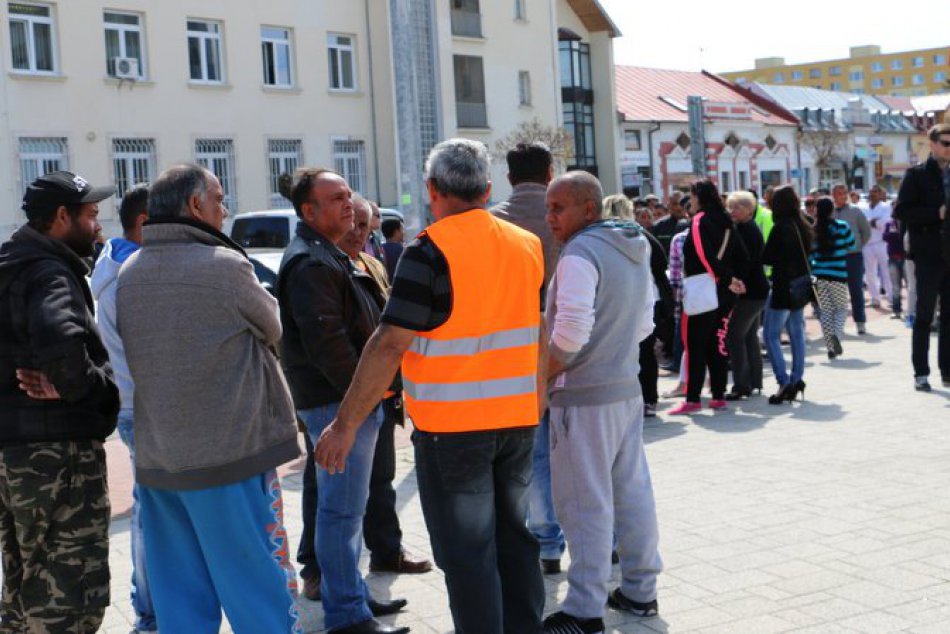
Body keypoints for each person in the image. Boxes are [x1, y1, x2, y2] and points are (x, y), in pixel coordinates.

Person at [314, 138, 546, 634]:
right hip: (517, 421)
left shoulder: (428, 250)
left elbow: (389, 343)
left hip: (454, 430)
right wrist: (538, 399)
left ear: (432, 189)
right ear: (487, 189)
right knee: (515, 540)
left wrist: (344, 424)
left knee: (469, 553)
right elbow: (538, 329)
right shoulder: (526, 244)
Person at [117, 164, 300, 632]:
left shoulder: (130, 272)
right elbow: (273, 327)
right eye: (218, 199)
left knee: (181, 598)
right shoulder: (225, 266)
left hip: (160, 461)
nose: (225, 210)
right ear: (195, 205)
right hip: (231, 456)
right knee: (257, 590)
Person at [276, 168, 410, 634]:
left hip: (348, 401)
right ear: (309, 211)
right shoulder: (312, 263)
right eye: (336, 198)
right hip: (339, 404)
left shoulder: (328, 254)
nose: (348, 204)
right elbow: (329, 345)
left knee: (348, 511)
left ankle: (350, 596)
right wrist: (363, 399)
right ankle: (348, 616)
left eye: (348, 195)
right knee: (341, 513)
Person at [541, 171, 663, 633]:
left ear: (588, 209)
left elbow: (570, 332)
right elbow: (646, 321)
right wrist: (615, 352)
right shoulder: (635, 245)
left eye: (558, 208)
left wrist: (541, 377)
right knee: (632, 494)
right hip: (624, 388)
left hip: (584, 396)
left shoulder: (580, 253)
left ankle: (584, 609)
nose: (550, 217)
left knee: (583, 503)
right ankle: (640, 590)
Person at [0, 171, 119, 632]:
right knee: (69, 596)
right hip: (58, 456)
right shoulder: (49, 271)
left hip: (12, 456)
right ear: (61, 217)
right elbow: (61, 340)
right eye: (91, 215)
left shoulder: (11, 263)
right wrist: (87, 390)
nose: (98, 225)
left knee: (24, 587)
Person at [491, 141, 565, 574]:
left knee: (534, 455)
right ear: (550, 172)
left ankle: (547, 542)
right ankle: (604, 539)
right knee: (583, 451)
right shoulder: (570, 216)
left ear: (509, 177)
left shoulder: (495, 222)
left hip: (515, 351)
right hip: (572, 345)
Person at [89, 183, 156, 632]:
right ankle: (149, 614)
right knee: (151, 516)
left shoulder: (118, 265)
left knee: (150, 511)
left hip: (137, 407)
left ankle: (150, 610)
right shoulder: (133, 276)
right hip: (145, 409)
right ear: (145, 223)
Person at [669, 179, 747, 415]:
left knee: (695, 345)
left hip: (703, 290)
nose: (690, 201)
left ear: (698, 197)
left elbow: (704, 255)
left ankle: (693, 399)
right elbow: (743, 255)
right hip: (724, 293)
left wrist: (726, 278)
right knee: (717, 344)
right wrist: (734, 279)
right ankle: (718, 396)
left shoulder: (699, 220)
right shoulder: (727, 221)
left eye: (691, 196)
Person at [603, 193, 673, 417]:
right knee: (646, 352)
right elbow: (660, 264)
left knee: (620, 353)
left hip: (617, 302)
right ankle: (649, 399)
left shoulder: (602, 237)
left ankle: (626, 400)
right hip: (647, 299)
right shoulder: (642, 235)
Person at [894, 122, 950, 391]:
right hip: (928, 254)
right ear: (933, 144)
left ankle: (947, 371)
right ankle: (921, 373)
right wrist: (934, 213)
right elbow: (902, 211)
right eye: (946, 143)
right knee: (924, 315)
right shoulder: (916, 175)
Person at [762, 185, 814, 404]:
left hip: (784, 285)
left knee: (770, 334)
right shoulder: (804, 224)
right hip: (801, 283)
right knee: (796, 333)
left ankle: (783, 382)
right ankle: (797, 378)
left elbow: (768, 257)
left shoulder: (780, 227)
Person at [724, 191, 769, 399]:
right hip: (755, 290)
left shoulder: (747, 230)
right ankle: (754, 381)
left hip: (750, 291)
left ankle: (741, 385)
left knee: (735, 335)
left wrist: (736, 281)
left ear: (749, 209)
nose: (732, 211)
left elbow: (746, 262)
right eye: (731, 207)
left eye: (737, 207)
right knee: (749, 336)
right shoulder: (744, 227)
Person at [811, 196, 855, 360]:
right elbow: (852, 245)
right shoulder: (842, 226)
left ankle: (830, 347)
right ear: (832, 210)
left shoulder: (812, 230)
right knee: (842, 308)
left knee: (826, 311)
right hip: (838, 275)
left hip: (818, 276)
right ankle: (836, 335)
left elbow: (809, 255)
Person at [832, 183, 871, 334]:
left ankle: (860, 322)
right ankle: (837, 325)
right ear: (833, 195)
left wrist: (858, 246)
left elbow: (866, 232)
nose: (842, 196)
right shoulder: (830, 213)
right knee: (836, 292)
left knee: (856, 290)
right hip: (835, 258)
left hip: (853, 256)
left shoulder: (855, 211)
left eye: (844, 193)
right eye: (839, 193)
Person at [863, 185, 893, 309]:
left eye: (875, 192)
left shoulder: (886, 206)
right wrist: (874, 221)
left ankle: (891, 298)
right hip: (867, 243)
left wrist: (873, 222)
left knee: (886, 271)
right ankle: (875, 298)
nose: (873, 194)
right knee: (870, 273)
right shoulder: (864, 207)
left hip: (882, 242)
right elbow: (863, 223)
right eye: (871, 192)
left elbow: (886, 222)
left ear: (880, 194)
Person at [883, 213, 907, 320]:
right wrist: (893, 234)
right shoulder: (889, 224)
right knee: (896, 286)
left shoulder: (907, 223)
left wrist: (896, 235)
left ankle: (912, 310)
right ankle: (896, 310)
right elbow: (884, 237)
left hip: (906, 258)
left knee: (910, 286)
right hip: (893, 258)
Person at [651, 191, 689, 256]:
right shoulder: (658, 226)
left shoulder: (694, 225)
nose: (679, 207)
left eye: (681, 203)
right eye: (675, 204)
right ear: (669, 206)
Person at [381, 217, 405, 282]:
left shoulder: (380, 249)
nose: (404, 233)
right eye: (402, 230)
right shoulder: (404, 250)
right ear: (396, 232)